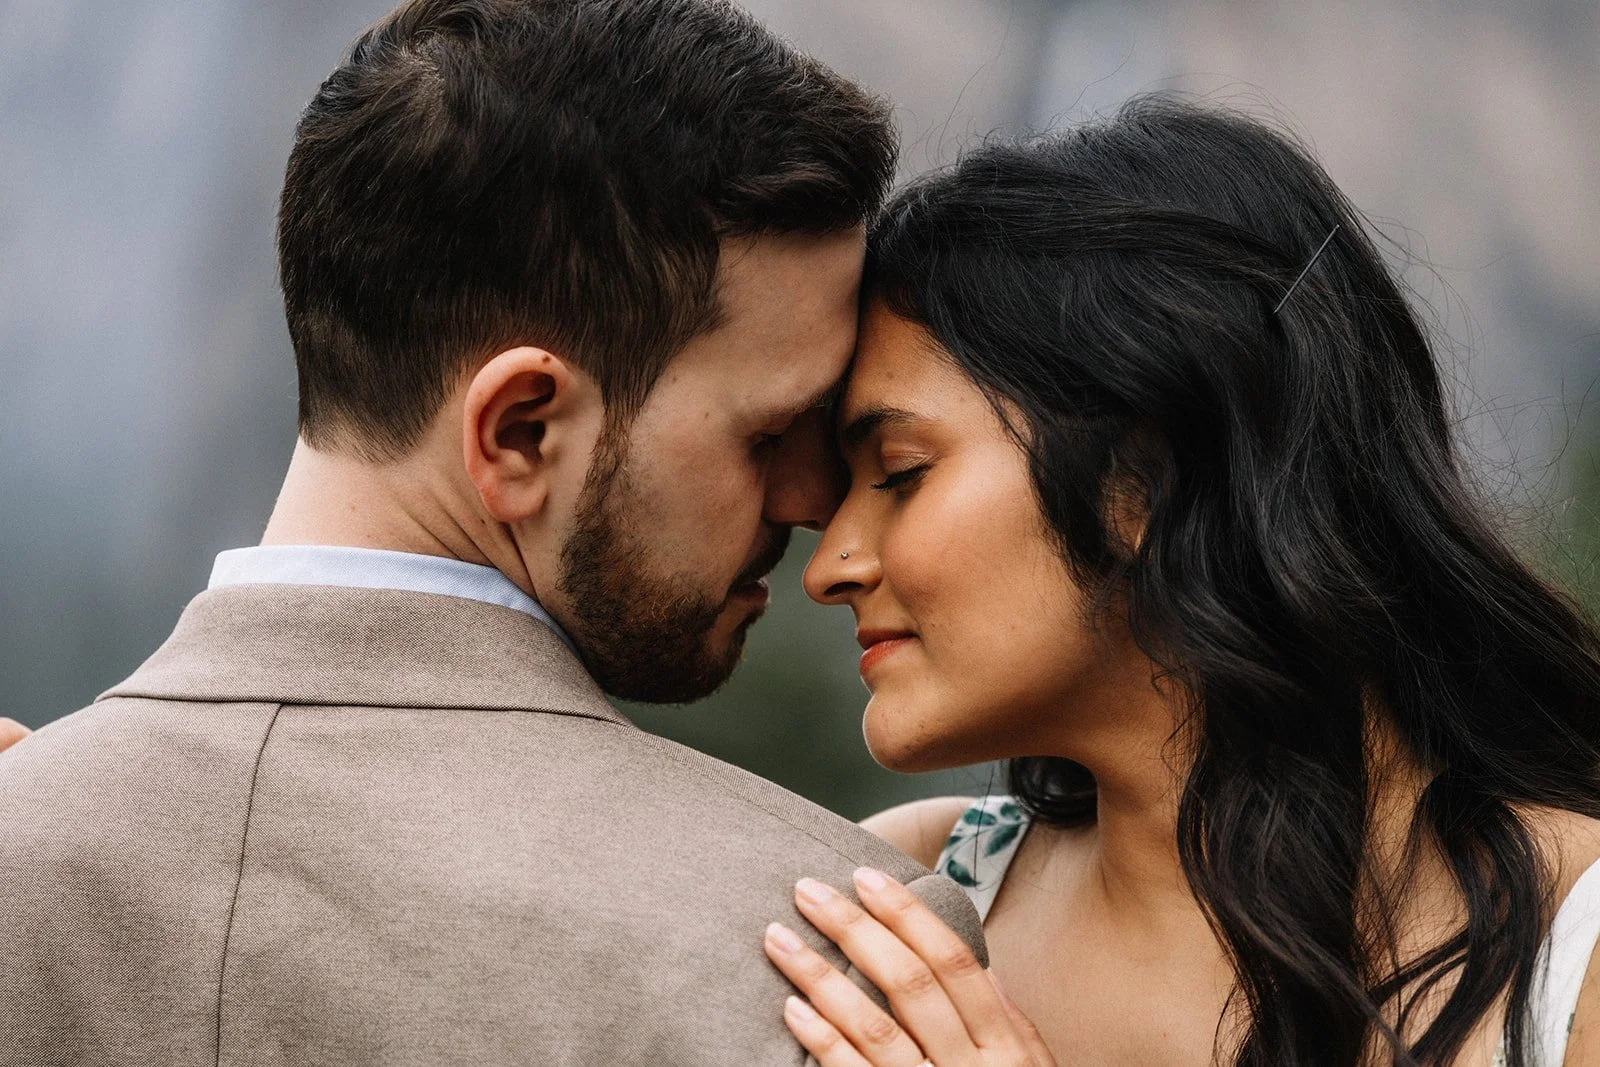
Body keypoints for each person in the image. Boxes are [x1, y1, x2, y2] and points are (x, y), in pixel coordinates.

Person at [0, 2, 988, 1063]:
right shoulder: (839, 963)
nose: (811, 502)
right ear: (520, 430)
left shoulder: (23, 846)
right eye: (772, 433)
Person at [762, 98, 1600, 1067]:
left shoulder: (1573, 951)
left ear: (1144, 480)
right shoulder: (907, 899)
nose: (828, 567)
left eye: (901, 472)